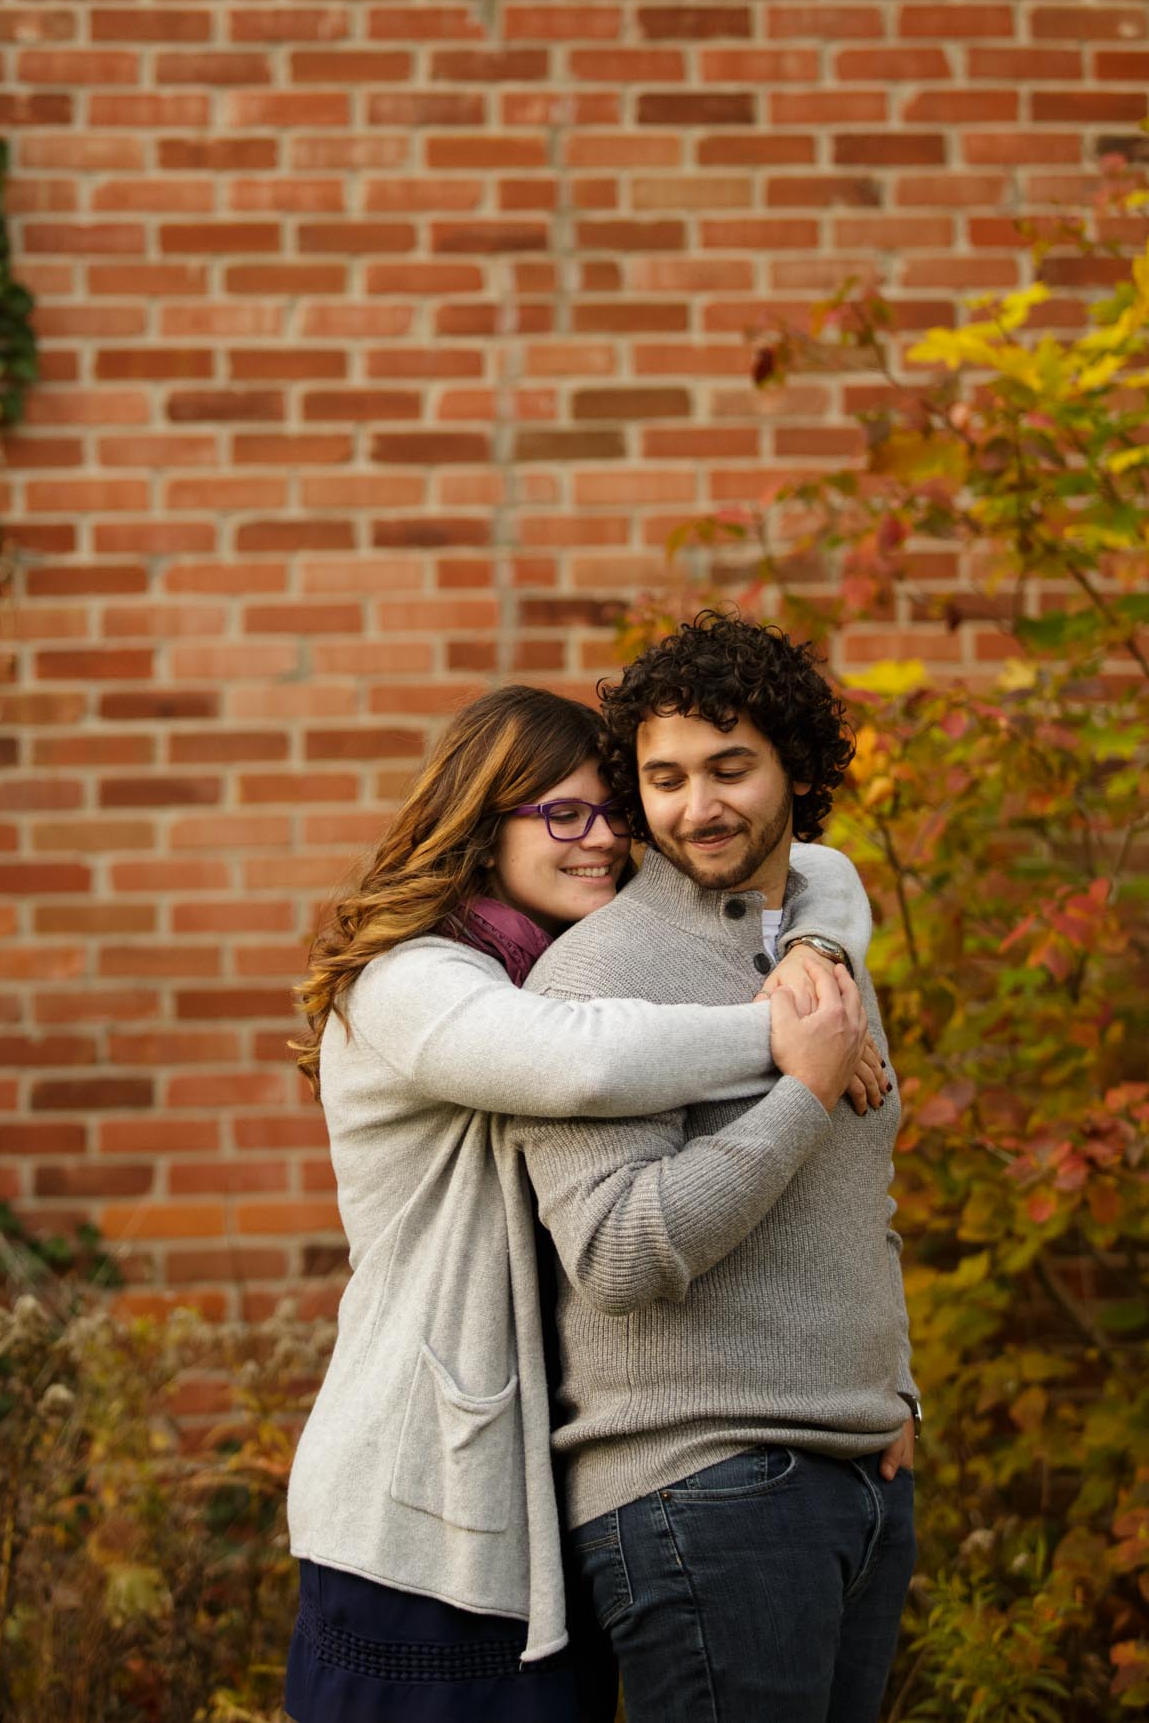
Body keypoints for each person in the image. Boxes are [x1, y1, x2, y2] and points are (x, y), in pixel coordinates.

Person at [283, 682, 881, 1723]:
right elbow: (582, 1065)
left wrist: (813, 951)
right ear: (478, 824)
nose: (602, 840)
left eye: (612, 810)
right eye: (563, 815)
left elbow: (820, 868)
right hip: (417, 1508)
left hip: (538, 1521)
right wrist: (785, 1043)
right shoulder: (412, 983)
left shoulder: (546, 965)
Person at [514, 613, 920, 1723]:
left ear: (793, 763)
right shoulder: (593, 975)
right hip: (701, 1487)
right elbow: (617, 1251)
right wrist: (797, 1091)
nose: (697, 807)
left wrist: (893, 1392)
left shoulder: (815, 946)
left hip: (859, 1474)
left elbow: (858, 1199)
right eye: (664, 777)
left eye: (729, 767)